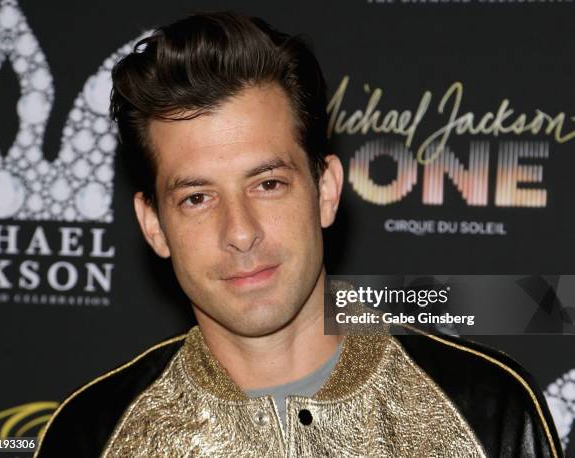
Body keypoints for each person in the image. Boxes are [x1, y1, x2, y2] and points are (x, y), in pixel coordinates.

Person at [34, 12, 562, 458]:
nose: (240, 232)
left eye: (267, 184)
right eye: (197, 197)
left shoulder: (487, 408)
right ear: (154, 225)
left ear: (326, 189)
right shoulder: (89, 436)